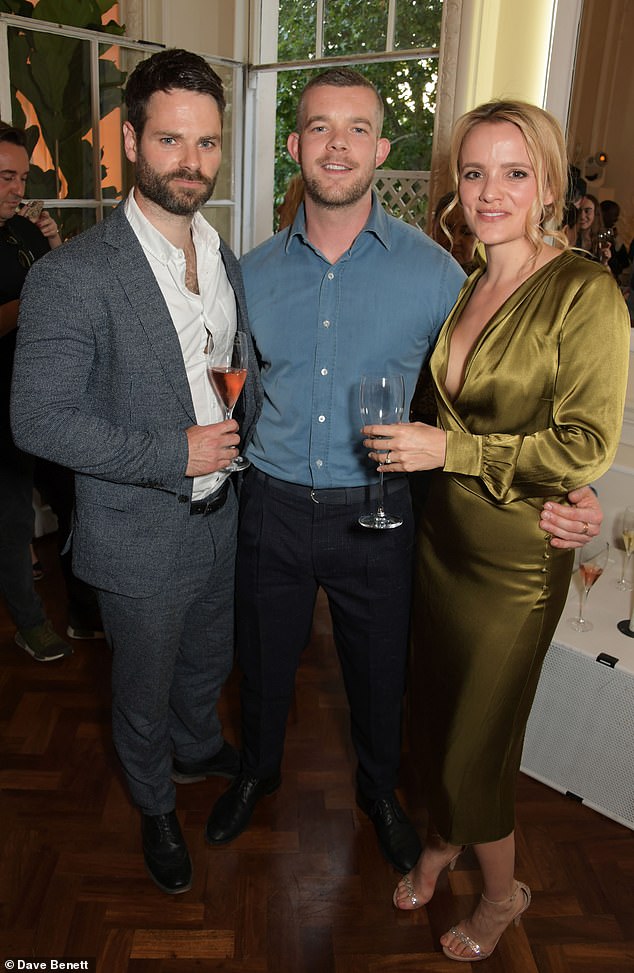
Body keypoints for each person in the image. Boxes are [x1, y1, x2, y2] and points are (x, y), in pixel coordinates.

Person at [205, 69, 603, 875]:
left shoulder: (439, 279)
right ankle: (258, 770)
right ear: (295, 148)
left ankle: (381, 791)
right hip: (272, 504)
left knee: (382, 672)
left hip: (381, 512)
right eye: (319, 127)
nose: (338, 143)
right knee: (263, 658)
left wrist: (572, 484)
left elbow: (487, 399)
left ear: (383, 150)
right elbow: (228, 383)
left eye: (357, 128)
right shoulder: (244, 275)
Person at [364, 100, 629, 961]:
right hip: (444, 545)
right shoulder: (472, 279)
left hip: (517, 561)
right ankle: (441, 841)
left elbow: (585, 441)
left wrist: (454, 447)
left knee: (479, 740)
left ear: (548, 182)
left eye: (514, 172)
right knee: (440, 718)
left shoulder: (584, 291)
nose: (490, 190)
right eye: (475, 171)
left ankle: (504, 891)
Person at [11, 48, 262, 895]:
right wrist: (172, 453)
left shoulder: (225, 258)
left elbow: (230, 368)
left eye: (207, 144)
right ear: (129, 140)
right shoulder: (70, 275)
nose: (192, 163)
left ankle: (197, 751)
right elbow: (35, 419)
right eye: (170, 141)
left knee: (206, 661)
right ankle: (155, 800)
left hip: (221, 516)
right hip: (136, 533)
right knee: (143, 687)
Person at [0, 121, 71, 662]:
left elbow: (64, 290)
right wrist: (38, 299)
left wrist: (52, 243)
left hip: (45, 397)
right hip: (1, 407)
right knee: (14, 517)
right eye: (6, 177)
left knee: (75, 496)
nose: (18, 189)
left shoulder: (22, 230)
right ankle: (31, 621)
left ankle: (91, 612)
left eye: (20, 177)